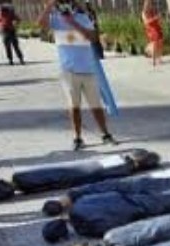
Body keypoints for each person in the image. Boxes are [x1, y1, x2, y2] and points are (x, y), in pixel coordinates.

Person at [38, 0, 116, 151]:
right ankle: (77, 138)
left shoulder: (83, 18)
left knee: (96, 105)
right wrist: (49, 5)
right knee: (74, 107)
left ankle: (105, 134)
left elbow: (93, 38)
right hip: (68, 71)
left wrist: (73, 23)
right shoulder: (54, 19)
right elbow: (40, 23)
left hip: (88, 69)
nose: (65, 7)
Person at [141, 0, 164, 67]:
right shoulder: (144, 12)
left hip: (157, 27)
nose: (150, 4)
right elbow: (146, 22)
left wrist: (159, 19)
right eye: (148, 3)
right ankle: (153, 60)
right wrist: (155, 18)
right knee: (154, 44)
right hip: (151, 29)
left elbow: (158, 19)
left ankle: (159, 58)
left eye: (150, 3)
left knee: (160, 42)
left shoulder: (153, 10)